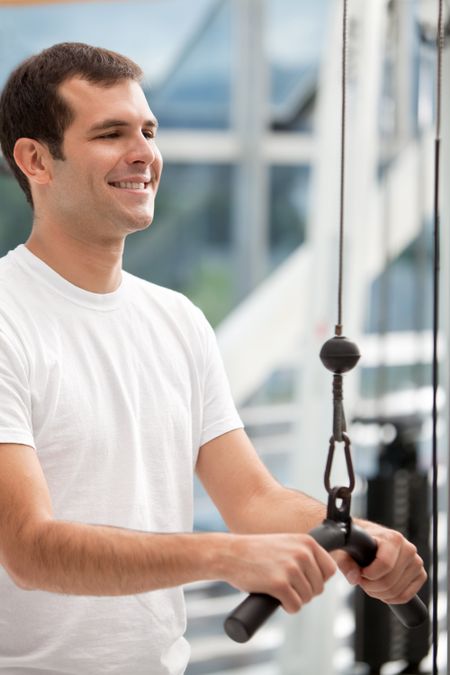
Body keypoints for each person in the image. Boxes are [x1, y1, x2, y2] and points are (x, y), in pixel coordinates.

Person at [0, 42, 426, 675]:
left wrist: (361, 535)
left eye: (148, 130)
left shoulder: (177, 321)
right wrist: (224, 557)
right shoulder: (9, 317)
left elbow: (252, 500)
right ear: (36, 160)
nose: (143, 154)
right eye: (111, 134)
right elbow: (30, 549)